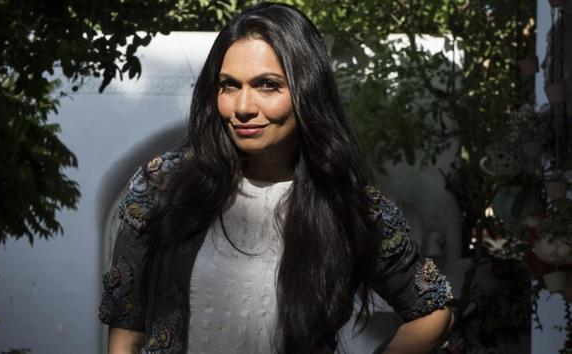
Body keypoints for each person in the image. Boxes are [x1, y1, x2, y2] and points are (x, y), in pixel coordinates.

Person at [98, 3, 454, 354]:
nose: (242, 107)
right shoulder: (163, 186)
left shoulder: (346, 205)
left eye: (267, 85)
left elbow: (432, 310)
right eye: (229, 85)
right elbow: (126, 334)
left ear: (306, 91)